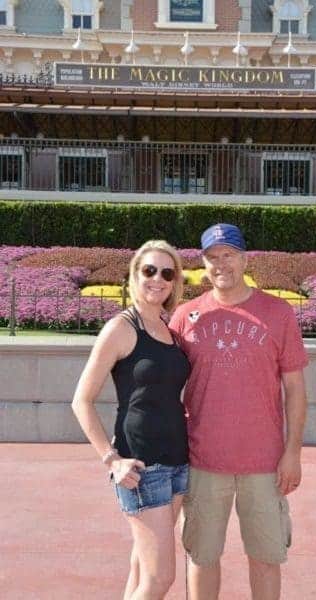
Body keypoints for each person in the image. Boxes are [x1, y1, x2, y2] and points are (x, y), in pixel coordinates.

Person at [169, 223, 308, 600]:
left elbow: (295, 389)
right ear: (203, 264)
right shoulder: (185, 317)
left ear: (245, 259)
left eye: (228, 255)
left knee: (265, 559)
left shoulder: (278, 313)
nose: (220, 265)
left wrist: (292, 452)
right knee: (201, 557)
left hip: (264, 464)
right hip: (202, 461)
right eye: (212, 258)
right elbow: (163, 384)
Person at [72, 240, 191, 600]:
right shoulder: (122, 328)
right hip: (142, 467)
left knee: (141, 567)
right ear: (134, 276)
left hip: (176, 463)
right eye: (149, 271)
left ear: (175, 282)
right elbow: (81, 401)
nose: (158, 279)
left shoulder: (169, 331)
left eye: (167, 273)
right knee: (160, 578)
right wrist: (112, 460)